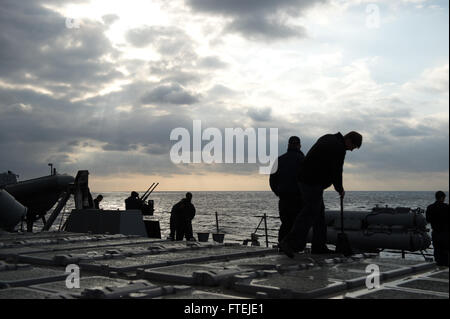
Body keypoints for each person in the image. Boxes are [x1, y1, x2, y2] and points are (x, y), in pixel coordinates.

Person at [280, 131, 363, 258]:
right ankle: (289, 242)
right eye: (354, 147)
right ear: (349, 140)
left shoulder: (328, 137)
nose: (351, 150)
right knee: (310, 212)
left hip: (307, 180)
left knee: (319, 215)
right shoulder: (339, 148)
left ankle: (318, 246)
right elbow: (337, 170)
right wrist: (340, 189)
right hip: (312, 182)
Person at [269, 136, 305, 244]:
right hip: (299, 198)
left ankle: (282, 244)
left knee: (285, 223)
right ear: (299, 145)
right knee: (298, 223)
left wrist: (278, 192)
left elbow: (272, 180)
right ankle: (295, 246)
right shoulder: (303, 160)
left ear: (288, 145)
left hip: (284, 197)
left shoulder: (279, 160)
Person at [426, 191, 449, 266]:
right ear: (442, 197)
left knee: (437, 250)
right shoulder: (447, 207)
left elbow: (428, 220)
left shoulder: (430, 207)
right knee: (445, 251)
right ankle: (445, 267)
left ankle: (438, 265)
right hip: (445, 233)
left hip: (435, 232)